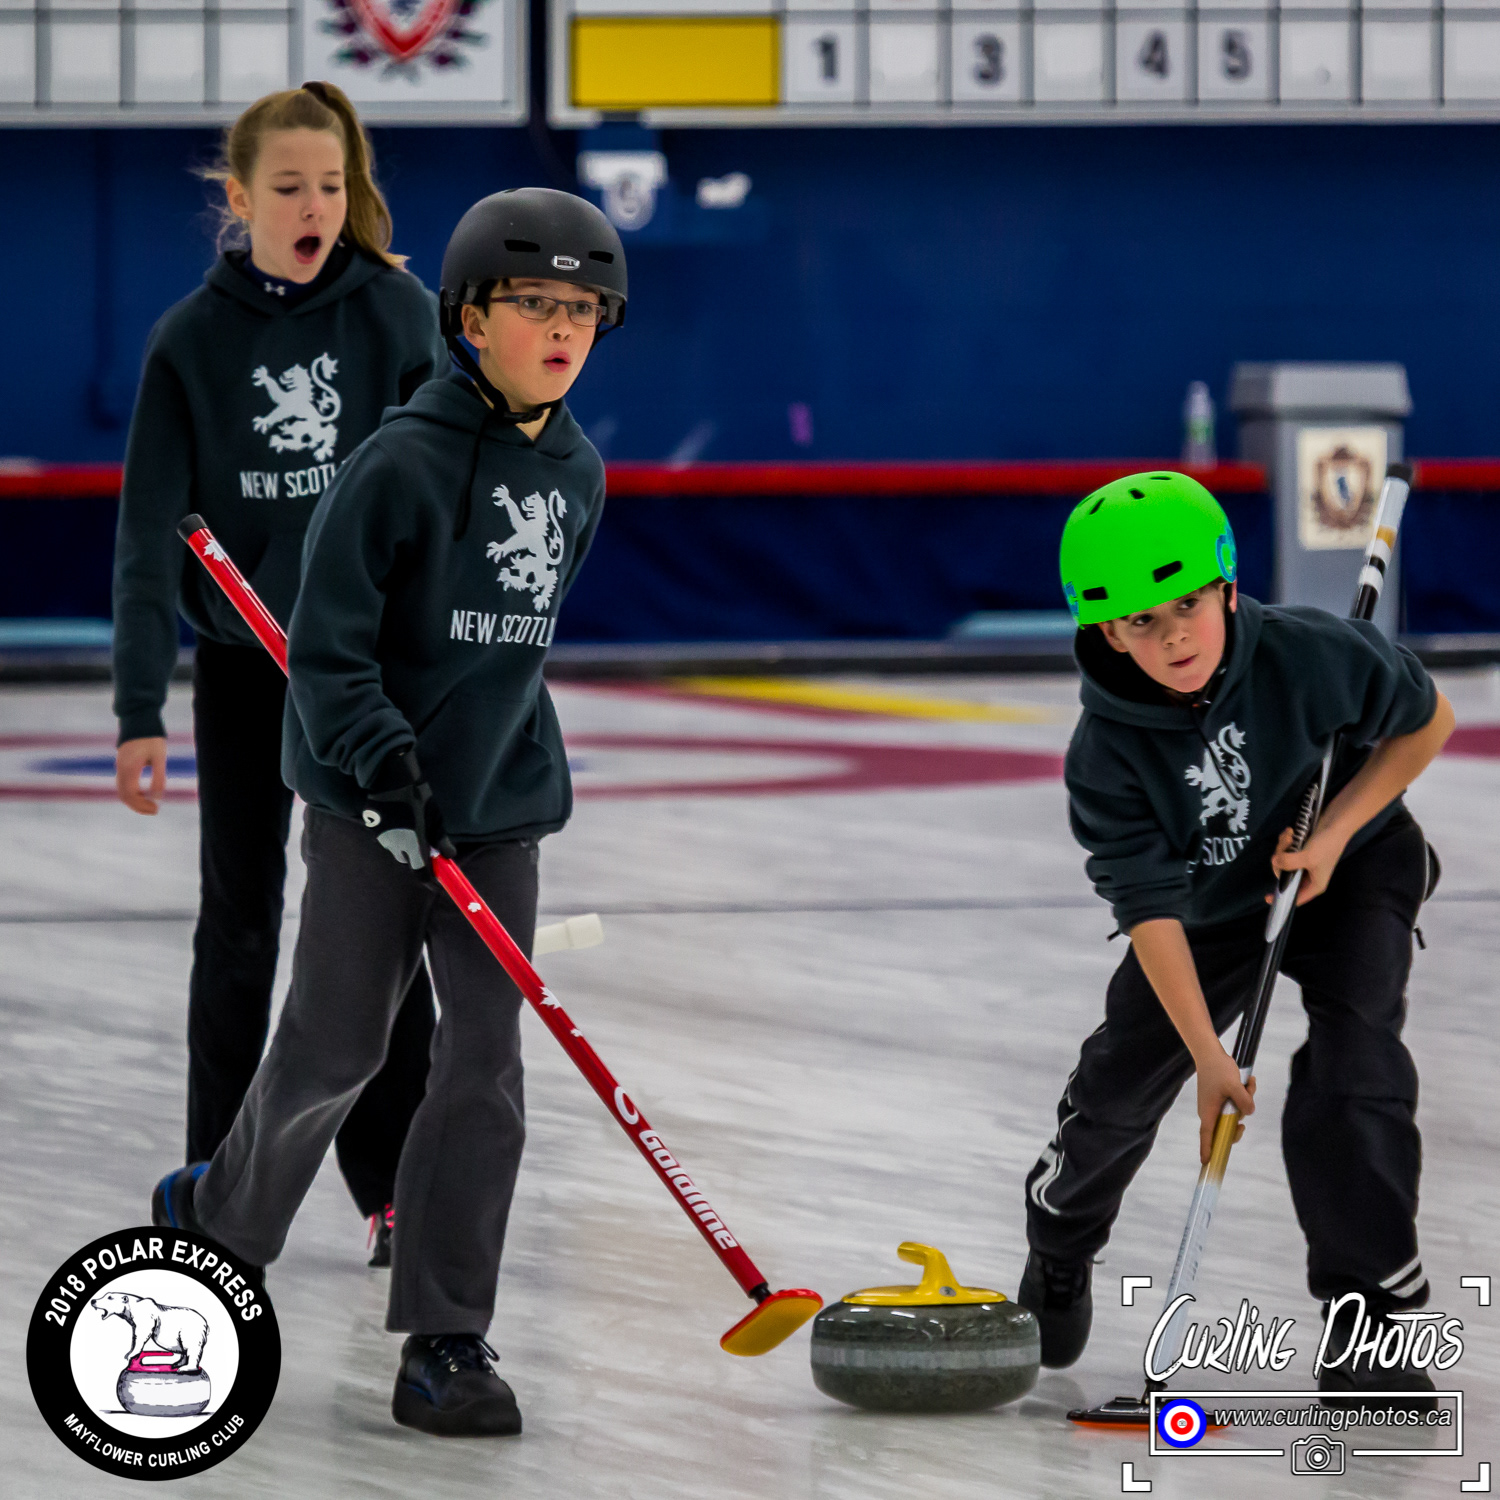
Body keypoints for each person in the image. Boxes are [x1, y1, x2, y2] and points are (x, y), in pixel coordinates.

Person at [152, 186, 626, 1437]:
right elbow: (326, 653)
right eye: (534, 303)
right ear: (470, 318)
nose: (560, 327)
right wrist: (379, 760)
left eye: (582, 309)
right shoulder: (393, 467)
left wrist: (492, 775)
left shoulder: (577, 472)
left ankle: (445, 1338)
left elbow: (516, 657)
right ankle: (219, 1222)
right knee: (337, 1046)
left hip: (497, 811)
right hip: (374, 807)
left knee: (485, 1065)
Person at [1016, 472, 1454, 1408]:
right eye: (1141, 622)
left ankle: (1370, 1322)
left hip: (1351, 866)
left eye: (1187, 605)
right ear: (1105, 632)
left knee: (1358, 1066)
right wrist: (1210, 1057)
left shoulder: (1311, 652)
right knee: (1121, 1090)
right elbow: (1149, 909)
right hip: (1203, 908)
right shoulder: (1106, 752)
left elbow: (1424, 724)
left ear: (1225, 585)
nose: (1173, 635)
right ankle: (1060, 1242)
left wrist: (1333, 834)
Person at [111, 81, 445, 1267]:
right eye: (290, 187)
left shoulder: (399, 316)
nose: (314, 207)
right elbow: (146, 538)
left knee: (381, 936)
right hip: (248, 672)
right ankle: (214, 1183)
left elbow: (442, 501)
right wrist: (138, 707)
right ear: (240, 198)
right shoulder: (190, 343)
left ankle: (396, 1192)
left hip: (363, 680)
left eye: (332, 187)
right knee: (241, 924)